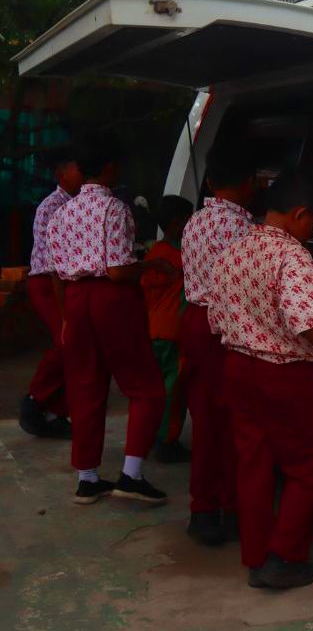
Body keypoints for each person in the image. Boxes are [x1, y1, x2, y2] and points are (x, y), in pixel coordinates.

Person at [208, 171, 313, 588]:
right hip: (284, 375)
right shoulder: (293, 255)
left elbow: (216, 319)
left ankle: (255, 555)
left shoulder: (233, 250)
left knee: (252, 463)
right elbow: (304, 319)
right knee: (306, 466)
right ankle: (284, 558)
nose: (311, 232)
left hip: (238, 366)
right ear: (299, 214)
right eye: (312, 223)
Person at [45, 131, 172, 506]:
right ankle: (131, 475)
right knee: (145, 386)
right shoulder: (115, 208)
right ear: (111, 167)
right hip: (111, 299)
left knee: (84, 386)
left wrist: (67, 316)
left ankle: (87, 478)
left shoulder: (61, 212)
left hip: (76, 298)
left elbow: (54, 271)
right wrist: (153, 264)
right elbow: (117, 271)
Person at [179, 145, 256, 546]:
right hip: (226, 328)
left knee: (206, 419)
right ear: (251, 184)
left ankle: (203, 509)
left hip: (194, 320)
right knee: (235, 423)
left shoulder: (194, 222)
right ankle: (231, 507)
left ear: (209, 182)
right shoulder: (244, 230)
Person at [20, 145, 83, 438]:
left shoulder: (80, 203)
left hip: (66, 282)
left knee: (76, 347)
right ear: (62, 174)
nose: (81, 174)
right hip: (47, 281)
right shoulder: (51, 206)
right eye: (76, 168)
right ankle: (35, 400)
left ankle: (57, 410)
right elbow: (52, 262)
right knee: (66, 342)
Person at [141, 195, 194, 464]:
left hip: (153, 330)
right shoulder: (181, 257)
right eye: (188, 220)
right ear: (176, 223)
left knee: (156, 387)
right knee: (173, 391)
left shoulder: (154, 254)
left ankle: (152, 434)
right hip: (173, 331)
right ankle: (167, 440)